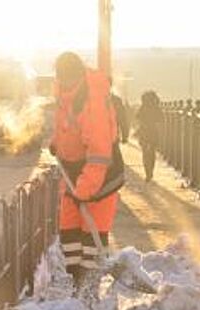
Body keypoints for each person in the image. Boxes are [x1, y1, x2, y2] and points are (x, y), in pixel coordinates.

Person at [50, 52, 122, 279]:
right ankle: (74, 286)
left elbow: (100, 153)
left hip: (99, 179)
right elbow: (67, 125)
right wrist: (57, 144)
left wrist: (86, 188)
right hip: (74, 176)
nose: (62, 81)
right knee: (69, 235)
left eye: (65, 78)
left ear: (76, 75)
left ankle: (90, 293)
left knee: (91, 243)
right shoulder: (67, 93)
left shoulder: (92, 101)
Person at [136, 91, 163, 182]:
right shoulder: (156, 107)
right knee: (152, 153)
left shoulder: (143, 107)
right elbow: (161, 119)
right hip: (153, 133)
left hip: (144, 132)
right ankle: (150, 171)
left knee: (145, 153)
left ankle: (148, 172)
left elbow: (137, 117)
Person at [108, 77, 130, 143]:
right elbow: (122, 119)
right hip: (112, 136)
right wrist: (125, 135)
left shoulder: (92, 99)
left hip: (96, 139)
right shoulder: (116, 100)